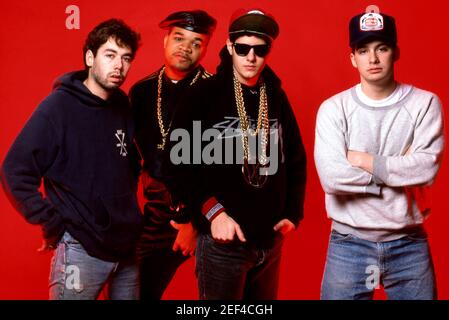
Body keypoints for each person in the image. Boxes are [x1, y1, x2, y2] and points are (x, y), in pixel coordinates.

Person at [166, 8, 307, 300]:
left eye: (260, 49)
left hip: (269, 243)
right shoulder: (203, 95)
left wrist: (293, 211)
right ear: (230, 47)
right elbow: (178, 165)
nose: (251, 57)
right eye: (242, 48)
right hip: (222, 246)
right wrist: (213, 213)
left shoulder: (276, 95)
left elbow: (295, 157)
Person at [1, 19, 143, 300]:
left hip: (128, 248)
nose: (119, 66)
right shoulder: (58, 107)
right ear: (90, 57)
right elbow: (14, 170)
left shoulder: (122, 106)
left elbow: (128, 168)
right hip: (81, 249)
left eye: (126, 58)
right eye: (110, 55)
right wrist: (50, 221)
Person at [314, 5, 444, 300]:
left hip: (408, 244)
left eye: (381, 48)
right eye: (363, 50)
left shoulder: (424, 104)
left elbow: (425, 169)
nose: (372, 58)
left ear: (395, 52)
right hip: (350, 243)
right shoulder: (334, 109)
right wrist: (397, 171)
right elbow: (333, 178)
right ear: (352, 58)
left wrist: (361, 159)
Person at [128, 10, 216, 300]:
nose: (185, 47)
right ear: (165, 40)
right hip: (157, 216)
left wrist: (192, 222)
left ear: (205, 49)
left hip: (207, 214)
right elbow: (131, 161)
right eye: (179, 38)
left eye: (196, 42)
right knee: (134, 292)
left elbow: (223, 166)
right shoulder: (141, 92)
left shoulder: (217, 92)